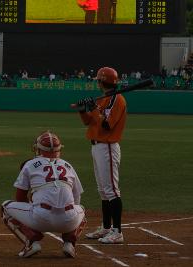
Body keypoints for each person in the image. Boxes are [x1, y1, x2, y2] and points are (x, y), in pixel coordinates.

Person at [1, 131, 86, 258]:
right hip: (69, 221)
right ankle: (69, 244)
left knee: (5, 207)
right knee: (82, 209)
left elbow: (20, 197)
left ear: (39, 149)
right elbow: (76, 198)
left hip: (41, 218)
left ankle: (32, 242)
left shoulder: (30, 164)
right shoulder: (68, 165)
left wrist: (32, 214)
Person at [76, 66, 126, 244]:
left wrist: (94, 108)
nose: (97, 83)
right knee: (103, 191)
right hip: (97, 147)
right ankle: (106, 228)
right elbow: (89, 122)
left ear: (102, 81)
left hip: (108, 147)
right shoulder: (104, 99)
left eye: (98, 80)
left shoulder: (117, 99)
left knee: (112, 190)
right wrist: (83, 110)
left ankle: (117, 231)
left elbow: (107, 125)